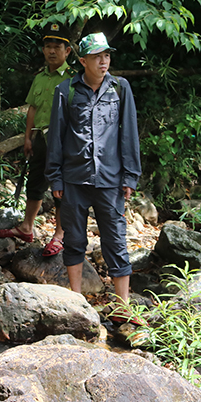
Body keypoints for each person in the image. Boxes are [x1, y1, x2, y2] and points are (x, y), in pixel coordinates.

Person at [45, 32, 144, 325]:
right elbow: (57, 138)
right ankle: (77, 301)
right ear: (82, 60)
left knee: (116, 241)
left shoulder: (120, 88)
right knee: (74, 240)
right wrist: (56, 179)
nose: (104, 61)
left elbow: (129, 134)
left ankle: (123, 307)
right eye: (98, 56)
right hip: (74, 180)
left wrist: (130, 176)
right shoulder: (66, 91)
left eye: (107, 55)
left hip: (111, 181)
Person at [0, 23, 72, 257]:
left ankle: (60, 234)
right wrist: (28, 137)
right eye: (48, 46)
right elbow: (32, 109)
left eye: (57, 47)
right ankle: (27, 227)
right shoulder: (40, 77)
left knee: (60, 187)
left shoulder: (74, 78)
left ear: (67, 50)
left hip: (62, 139)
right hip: (40, 137)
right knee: (35, 182)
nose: (51, 51)